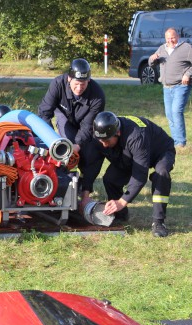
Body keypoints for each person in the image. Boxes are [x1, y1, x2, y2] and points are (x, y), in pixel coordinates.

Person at [87, 111, 176, 237]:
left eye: (106, 140)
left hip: (160, 151)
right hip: (131, 153)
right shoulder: (101, 133)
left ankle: (158, 222)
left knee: (161, 174)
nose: (103, 144)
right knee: (110, 179)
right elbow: (92, 163)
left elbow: (140, 175)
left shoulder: (136, 136)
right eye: (100, 140)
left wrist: (122, 201)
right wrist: (85, 191)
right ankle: (120, 215)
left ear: (117, 132)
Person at [37, 58, 106, 208]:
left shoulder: (98, 95)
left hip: (85, 123)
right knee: (64, 148)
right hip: (64, 117)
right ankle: (62, 186)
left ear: (89, 81)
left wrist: (78, 145)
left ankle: (85, 191)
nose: (79, 88)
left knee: (92, 153)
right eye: (76, 84)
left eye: (83, 84)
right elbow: (44, 112)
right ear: (69, 79)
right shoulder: (57, 84)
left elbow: (88, 126)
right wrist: (50, 141)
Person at [148, 28, 192, 148]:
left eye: (173, 38)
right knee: (169, 114)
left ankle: (180, 142)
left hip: (181, 86)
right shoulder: (162, 48)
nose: (170, 40)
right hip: (166, 87)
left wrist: (188, 74)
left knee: (176, 111)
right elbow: (151, 63)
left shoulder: (186, 48)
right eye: (168, 38)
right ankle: (175, 141)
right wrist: (152, 58)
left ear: (178, 36)